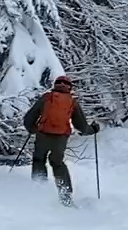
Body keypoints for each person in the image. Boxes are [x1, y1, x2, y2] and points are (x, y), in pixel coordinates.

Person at [23, 75, 100, 205]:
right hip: (60, 138)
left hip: (43, 135)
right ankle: (66, 197)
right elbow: (81, 126)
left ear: (55, 85)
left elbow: (29, 117)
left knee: (38, 160)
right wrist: (93, 129)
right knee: (57, 164)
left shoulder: (46, 98)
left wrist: (32, 128)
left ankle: (38, 190)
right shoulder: (72, 102)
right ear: (70, 87)